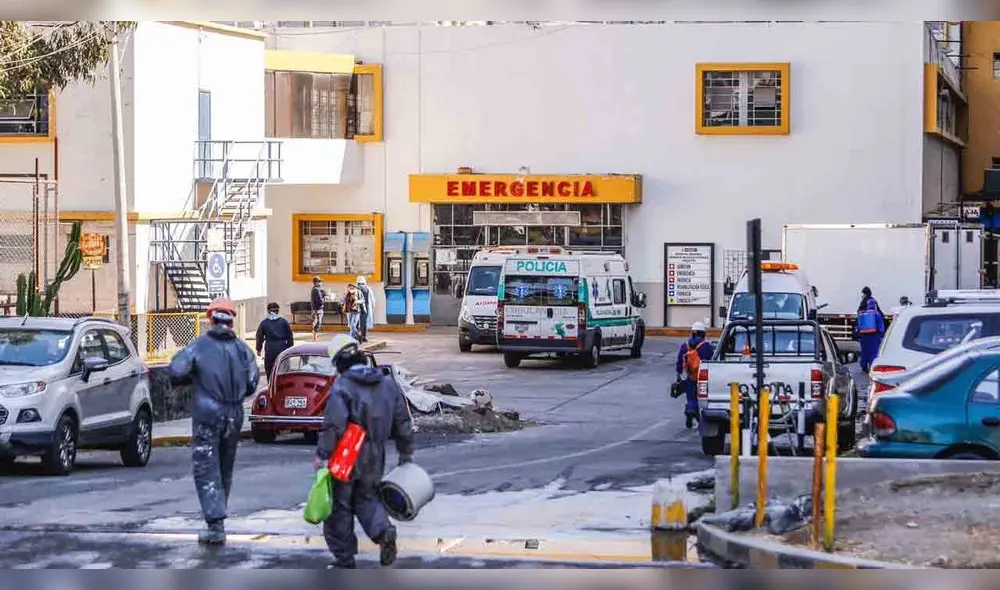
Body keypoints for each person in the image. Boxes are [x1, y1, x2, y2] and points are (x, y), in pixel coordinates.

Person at [314, 334, 415, 569]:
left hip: (347, 451)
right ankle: (383, 531)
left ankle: (344, 559)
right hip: (375, 453)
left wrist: (322, 454)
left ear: (340, 362)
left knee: (339, 507)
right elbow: (403, 421)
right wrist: (405, 453)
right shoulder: (387, 385)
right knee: (367, 497)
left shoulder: (343, 387)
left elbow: (334, 425)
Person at [168, 298, 260, 545]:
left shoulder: (198, 346)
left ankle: (215, 524)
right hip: (234, 414)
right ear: (232, 321)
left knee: (207, 466)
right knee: (224, 467)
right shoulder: (243, 350)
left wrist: (195, 376)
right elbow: (252, 383)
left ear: (210, 319)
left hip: (208, 413)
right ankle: (218, 519)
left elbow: (176, 370)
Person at [675, 321, 715, 429]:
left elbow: (679, 360)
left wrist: (678, 374)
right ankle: (697, 415)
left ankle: (690, 410)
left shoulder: (685, 345)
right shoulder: (706, 346)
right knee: (701, 397)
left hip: (689, 375)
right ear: (703, 333)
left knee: (691, 396)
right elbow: (711, 360)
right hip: (702, 376)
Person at [255, 302, 294, 383]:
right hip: (282, 347)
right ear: (278, 311)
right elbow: (290, 335)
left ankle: (271, 384)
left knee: (269, 368)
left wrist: (258, 349)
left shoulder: (264, 323)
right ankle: (283, 384)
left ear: (268, 311)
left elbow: (259, 337)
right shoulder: (283, 321)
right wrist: (290, 347)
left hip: (270, 348)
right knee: (283, 368)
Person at [855, 298, 885, 373]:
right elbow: (880, 325)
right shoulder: (876, 314)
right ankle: (872, 365)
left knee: (864, 351)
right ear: (874, 305)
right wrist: (881, 333)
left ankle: (863, 365)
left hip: (864, 336)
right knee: (873, 352)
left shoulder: (862, 314)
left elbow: (858, 326)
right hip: (874, 335)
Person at [355, 275, 374, 343]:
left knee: (356, 322)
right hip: (366, 307)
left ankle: (357, 336)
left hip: (357, 307)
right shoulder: (368, 288)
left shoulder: (356, 288)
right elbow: (372, 300)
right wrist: (373, 307)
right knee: (364, 322)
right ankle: (364, 337)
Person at [311, 277, 328, 342]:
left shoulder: (314, 289)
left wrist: (324, 294)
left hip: (315, 309)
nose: (321, 283)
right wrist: (325, 298)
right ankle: (314, 338)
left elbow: (322, 294)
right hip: (318, 309)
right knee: (318, 323)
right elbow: (320, 301)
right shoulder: (316, 290)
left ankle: (314, 338)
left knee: (316, 322)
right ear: (316, 282)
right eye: (320, 282)